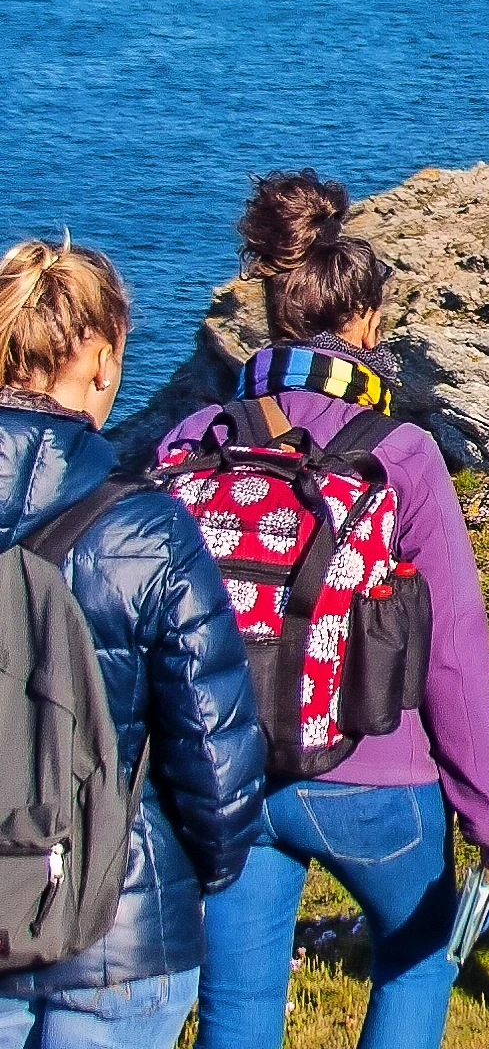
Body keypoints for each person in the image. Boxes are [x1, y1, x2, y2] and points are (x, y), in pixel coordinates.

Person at [163, 171, 489, 1049]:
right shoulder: (400, 453)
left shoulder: (195, 441)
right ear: (364, 325)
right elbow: (451, 652)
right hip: (372, 773)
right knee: (418, 958)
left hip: (228, 772)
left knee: (239, 1011)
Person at [0, 237, 266, 1049]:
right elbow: (217, 764)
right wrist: (200, 878)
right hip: (119, 925)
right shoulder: (149, 530)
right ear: (105, 363)